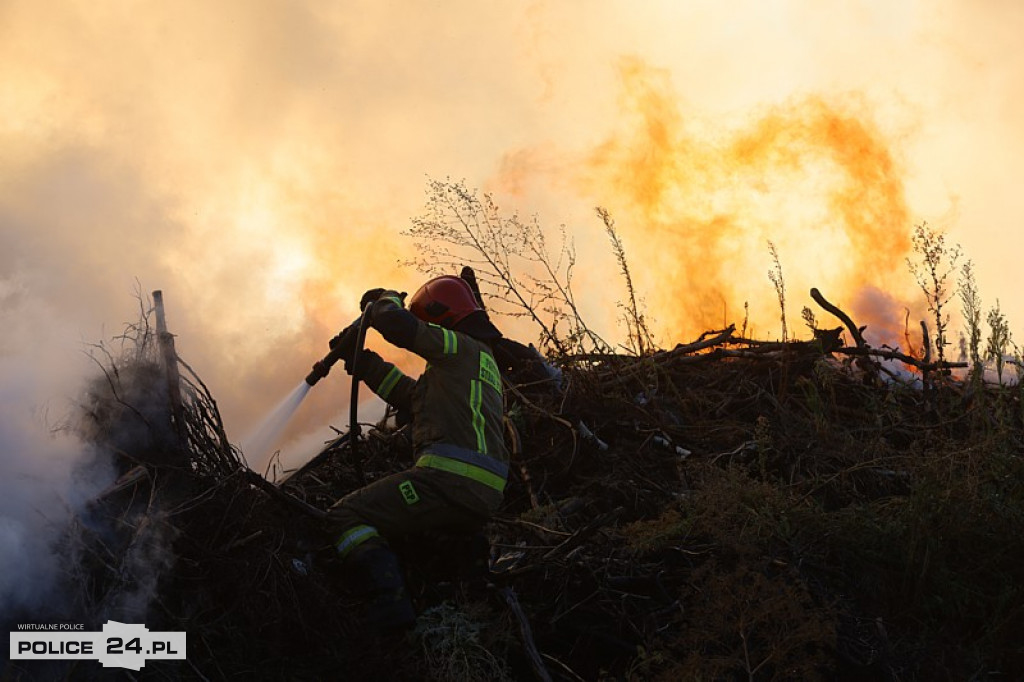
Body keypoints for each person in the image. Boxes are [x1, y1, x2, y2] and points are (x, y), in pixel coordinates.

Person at [320, 275, 509, 632]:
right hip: (483, 493)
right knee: (432, 543)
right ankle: (469, 596)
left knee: (346, 515)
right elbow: (412, 398)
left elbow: (396, 324)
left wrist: (385, 299)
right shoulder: (478, 367)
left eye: (428, 322)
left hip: (448, 480)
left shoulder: (458, 346)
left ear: (443, 317)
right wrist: (362, 361)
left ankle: (389, 612)